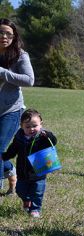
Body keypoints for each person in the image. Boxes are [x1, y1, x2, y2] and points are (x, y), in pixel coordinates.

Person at [0, 18, 34, 194]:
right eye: (1, 32)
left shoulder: (20, 55)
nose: (4, 36)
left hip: (11, 110)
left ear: (14, 37)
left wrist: (3, 72)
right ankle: (9, 170)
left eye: (8, 33)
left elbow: (29, 79)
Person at [0, 109, 56, 218]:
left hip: (39, 171)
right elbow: (13, 149)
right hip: (23, 171)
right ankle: (26, 200)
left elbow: (53, 142)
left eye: (35, 126)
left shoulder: (43, 137)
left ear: (41, 124)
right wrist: (5, 156)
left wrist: (49, 135)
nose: (31, 129)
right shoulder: (19, 138)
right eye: (27, 127)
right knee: (20, 190)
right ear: (21, 126)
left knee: (37, 192)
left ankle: (35, 209)